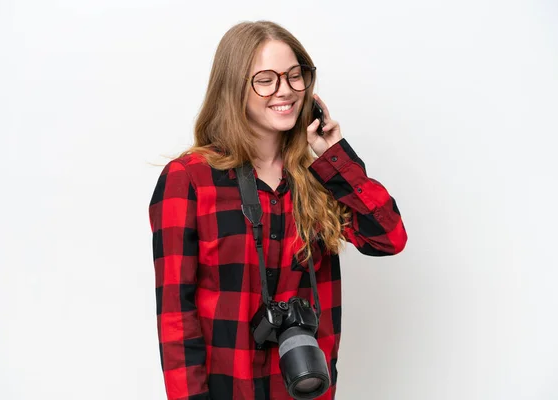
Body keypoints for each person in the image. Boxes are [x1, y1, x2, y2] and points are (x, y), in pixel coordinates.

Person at [148, 20, 407, 400]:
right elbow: (175, 316)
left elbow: (388, 239)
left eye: (294, 76)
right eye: (265, 79)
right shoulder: (189, 179)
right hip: (227, 389)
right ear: (233, 88)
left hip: (304, 386)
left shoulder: (321, 175)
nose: (284, 91)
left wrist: (336, 157)